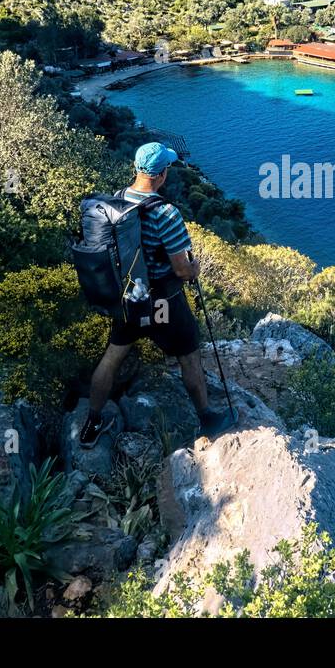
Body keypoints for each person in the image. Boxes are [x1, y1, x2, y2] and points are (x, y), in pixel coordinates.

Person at [79, 142, 236, 445]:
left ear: (136, 169)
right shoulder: (166, 213)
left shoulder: (118, 201)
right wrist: (195, 268)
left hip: (129, 299)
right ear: (162, 174)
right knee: (189, 356)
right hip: (164, 302)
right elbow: (181, 270)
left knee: (112, 358)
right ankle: (207, 419)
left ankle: (91, 424)